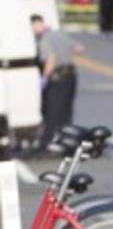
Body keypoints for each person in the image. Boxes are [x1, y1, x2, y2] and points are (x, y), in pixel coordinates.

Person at [31, 14, 77, 149]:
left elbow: (50, 59)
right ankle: (66, 140)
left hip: (57, 78)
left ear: (37, 24)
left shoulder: (44, 39)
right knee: (66, 111)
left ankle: (49, 142)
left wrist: (44, 77)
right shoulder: (58, 34)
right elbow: (78, 48)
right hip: (70, 76)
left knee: (52, 111)